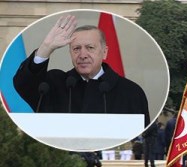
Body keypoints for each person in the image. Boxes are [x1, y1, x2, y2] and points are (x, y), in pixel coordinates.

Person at [13, 15, 150, 126]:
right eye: (76, 48)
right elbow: (24, 84)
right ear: (70, 52)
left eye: (90, 47)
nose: (83, 55)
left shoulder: (131, 92)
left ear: (104, 52)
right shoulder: (54, 84)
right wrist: (46, 48)